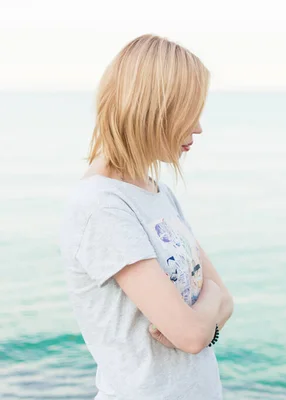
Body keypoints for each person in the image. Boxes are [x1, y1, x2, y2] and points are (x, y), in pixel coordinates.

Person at [59, 34, 233, 400]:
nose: (198, 127)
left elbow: (224, 303)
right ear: (156, 108)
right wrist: (207, 310)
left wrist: (207, 313)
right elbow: (190, 335)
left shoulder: (158, 192)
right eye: (190, 111)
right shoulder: (102, 205)